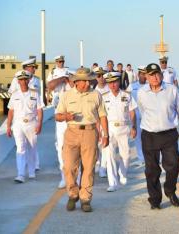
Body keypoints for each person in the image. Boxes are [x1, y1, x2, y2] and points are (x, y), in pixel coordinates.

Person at [55, 67, 109, 212]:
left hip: (90, 133)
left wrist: (106, 134)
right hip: (71, 133)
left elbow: (103, 115)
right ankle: (73, 195)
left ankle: (85, 199)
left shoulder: (96, 94)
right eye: (85, 81)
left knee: (89, 168)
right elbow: (57, 116)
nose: (88, 83)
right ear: (77, 82)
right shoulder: (66, 95)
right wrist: (66, 117)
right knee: (69, 167)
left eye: (89, 80)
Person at [137, 63, 179, 210]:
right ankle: (155, 199)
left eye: (157, 74)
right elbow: (143, 111)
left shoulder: (172, 90)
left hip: (168, 134)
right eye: (151, 75)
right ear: (146, 77)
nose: (154, 77)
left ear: (161, 75)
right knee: (152, 170)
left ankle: (170, 190)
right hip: (149, 135)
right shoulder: (142, 92)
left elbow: (177, 109)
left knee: (174, 165)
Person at [101, 71, 137, 191]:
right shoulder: (104, 97)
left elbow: (132, 112)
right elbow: (102, 116)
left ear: (118, 82)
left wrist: (134, 127)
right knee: (109, 155)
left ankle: (123, 173)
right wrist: (102, 132)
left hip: (124, 127)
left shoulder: (127, 95)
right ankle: (113, 182)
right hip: (109, 128)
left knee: (125, 155)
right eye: (110, 83)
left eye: (115, 82)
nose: (113, 85)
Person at [6, 71, 44, 183]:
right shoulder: (15, 95)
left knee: (32, 147)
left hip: (31, 123)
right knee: (20, 148)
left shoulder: (35, 93)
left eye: (25, 79)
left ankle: (31, 171)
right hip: (18, 124)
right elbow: (11, 111)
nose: (23, 81)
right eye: (21, 79)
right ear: (18, 81)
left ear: (28, 80)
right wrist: (8, 126)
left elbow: (39, 109)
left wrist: (40, 123)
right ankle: (21, 174)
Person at [46, 55, 71, 189]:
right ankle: (63, 177)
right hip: (59, 112)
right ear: (56, 62)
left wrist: (67, 79)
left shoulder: (69, 71)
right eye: (58, 61)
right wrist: (61, 79)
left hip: (71, 111)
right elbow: (49, 86)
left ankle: (75, 176)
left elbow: (74, 86)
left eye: (62, 61)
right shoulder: (52, 73)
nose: (60, 63)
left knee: (74, 145)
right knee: (60, 145)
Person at [126, 66, 147, 166]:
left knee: (149, 137)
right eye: (142, 74)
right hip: (137, 113)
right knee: (138, 137)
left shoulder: (150, 85)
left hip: (148, 115)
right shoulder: (132, 86)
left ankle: (151, 157)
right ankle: (141, 158)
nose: (143, 76)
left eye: (145, 74)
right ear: (138, 75)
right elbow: (126, 99)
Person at [93, 67, 110, 177]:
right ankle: (98, 163)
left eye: (103, 75)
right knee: (97, 145)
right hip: (96, 121)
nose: (101, 78)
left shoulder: (110, 89)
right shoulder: (93, 91)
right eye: (99, 76)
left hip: (108, 120)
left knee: (105, 145)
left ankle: (104, 167)